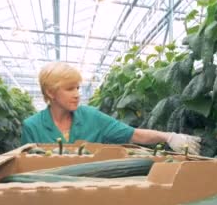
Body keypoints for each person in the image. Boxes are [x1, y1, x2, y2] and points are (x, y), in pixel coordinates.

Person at [21, 62, 202, 155]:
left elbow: (133, 134)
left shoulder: (92, 117)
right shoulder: (32, 126)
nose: (77, 94)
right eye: (69, 89)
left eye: (77, 87)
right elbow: (26, 168)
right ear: (51, 92)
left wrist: (169, 137)